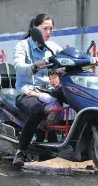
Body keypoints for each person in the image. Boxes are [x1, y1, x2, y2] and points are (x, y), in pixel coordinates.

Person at [12, 13, 63, 169]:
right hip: (26, 91)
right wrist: (34, 66)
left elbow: (67, 57)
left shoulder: (53, 47)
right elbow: (18, 65)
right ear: (35, 30)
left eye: (51, 29)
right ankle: (20, 151)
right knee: (37, 110)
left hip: (47, 91)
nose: (48, 32)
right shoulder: (23, 45)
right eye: (44, 28)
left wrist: (88, 60)